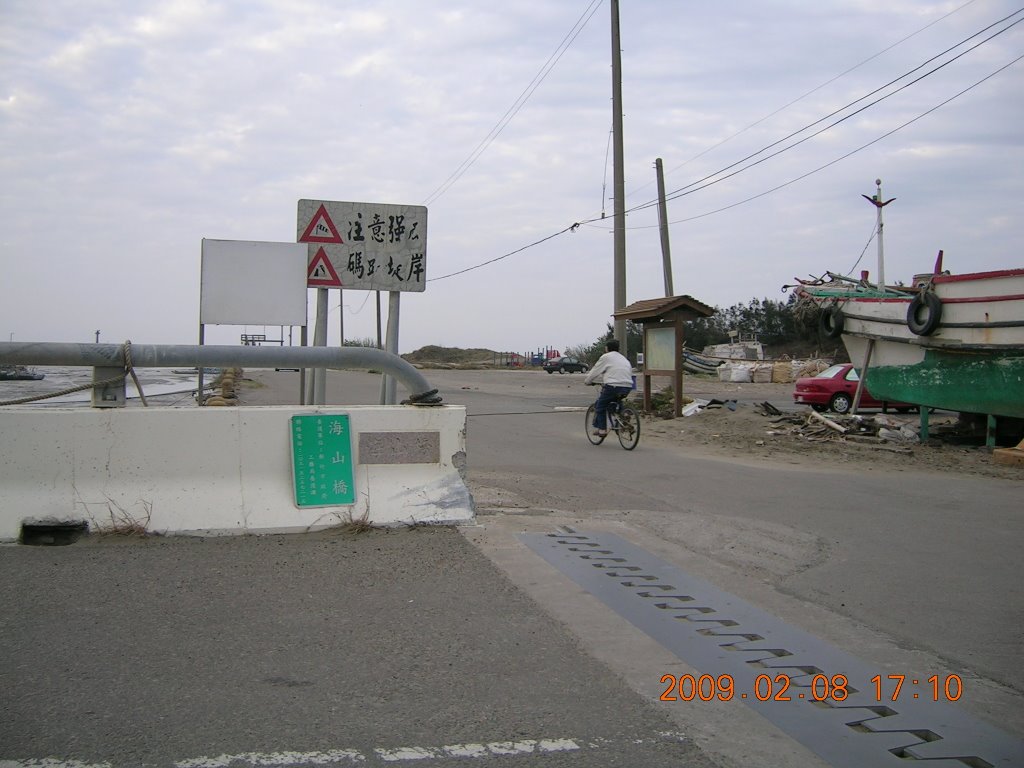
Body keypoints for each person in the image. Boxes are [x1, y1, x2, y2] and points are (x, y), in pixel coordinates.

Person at [584, 338, 634, 436]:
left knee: (600, 406)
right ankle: (624, 418)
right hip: (628, 386)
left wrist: (587, 381)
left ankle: (602, 430)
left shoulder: (606, 357)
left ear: (607, 348)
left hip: (613, 386)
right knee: (616, 402)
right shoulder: (623, 358)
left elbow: (595, 370)